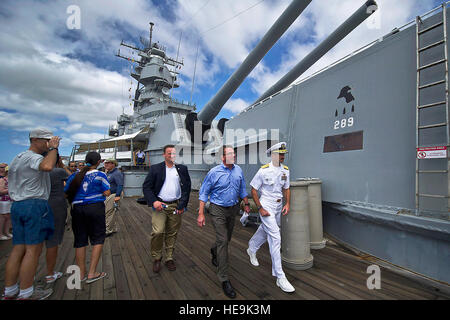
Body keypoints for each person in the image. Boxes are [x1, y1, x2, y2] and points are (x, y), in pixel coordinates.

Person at [2, 128, 60, 300]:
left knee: (18, 248)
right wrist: (54, 149)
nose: (49, 143)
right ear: (35, 140)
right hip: (34, 205)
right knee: (32, 251)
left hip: (17, 205)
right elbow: (47, 166)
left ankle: (10, 290)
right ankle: (27, 293)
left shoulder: (17, 158)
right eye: (46, 140)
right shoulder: (34, 158)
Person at [197, 145, 251, 299]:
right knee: (223, 241)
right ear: (222, 157)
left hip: (233, 209)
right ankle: (224, 279)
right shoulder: (214, 173)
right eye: (230, 154)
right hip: (217, 209)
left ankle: (214, 250)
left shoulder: (238, 170)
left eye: (234, 154)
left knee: (225, 239)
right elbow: (203, 193)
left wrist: (246, 204)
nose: (233, 156)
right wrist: (201, 213)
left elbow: (242, 189)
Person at [246, 142, 295, 293]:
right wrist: (260, 207)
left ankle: (252, 248)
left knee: (266, 229)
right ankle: (280, 277)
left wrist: (287, 204)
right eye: (280, 154)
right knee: (275, 237)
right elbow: (254, 190)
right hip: (266, 205)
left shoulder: (285, 170)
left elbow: (286, 188)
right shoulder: (263, 171)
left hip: (279, 206)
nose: (283, 156)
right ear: (273, 155)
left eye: (283, 154)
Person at [143, 144, 191, 273]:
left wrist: (182, 205)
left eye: (174, 153)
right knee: (158, 232)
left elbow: (186, 188)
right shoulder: (155, 169)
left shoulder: (182, 169)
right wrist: (154, 201)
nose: (171, 155)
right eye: (169, 153)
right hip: (160, 205)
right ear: (164, 155)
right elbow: (146, 187)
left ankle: (169, 258)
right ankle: (157, 257)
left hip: (175, 205)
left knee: (172, 233)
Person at [65, 152, 110, 284]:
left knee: (80, 241)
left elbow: (66, 192)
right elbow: (107, 192)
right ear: (99, 162)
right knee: (97, 239)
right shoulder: (101, 175)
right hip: (95, 208)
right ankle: (92, 273)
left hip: (77, 209)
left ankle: (80, 274)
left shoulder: (74, 175)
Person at [44, 155, 70, 284]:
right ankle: (49, 274)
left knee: (31, 246)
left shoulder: (35, 171)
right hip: (55, 206)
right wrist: (63, 165)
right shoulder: (58, 171)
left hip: (38, 204)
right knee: (52, 241)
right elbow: (73, 179)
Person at [104, 158, 123, 236]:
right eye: (105, 163)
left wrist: (117, 196)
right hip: (109, 194)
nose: (106, 164)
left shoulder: (117, 173)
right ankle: (113, 228)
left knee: (109, 212)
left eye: (108, 163)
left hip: (114, 194)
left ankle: (108, 230)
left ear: (113, 164)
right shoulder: (109, 172)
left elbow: (120, 184)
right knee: (111, 212)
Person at [0, 163, 12, 240]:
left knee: (8, 217)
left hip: (10, 200)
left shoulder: (12, 180)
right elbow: (1, 191)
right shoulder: (2, 180)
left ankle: (7, 232)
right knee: (3, 217)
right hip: (3, 201)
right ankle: (0, 234)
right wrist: (10, 190)